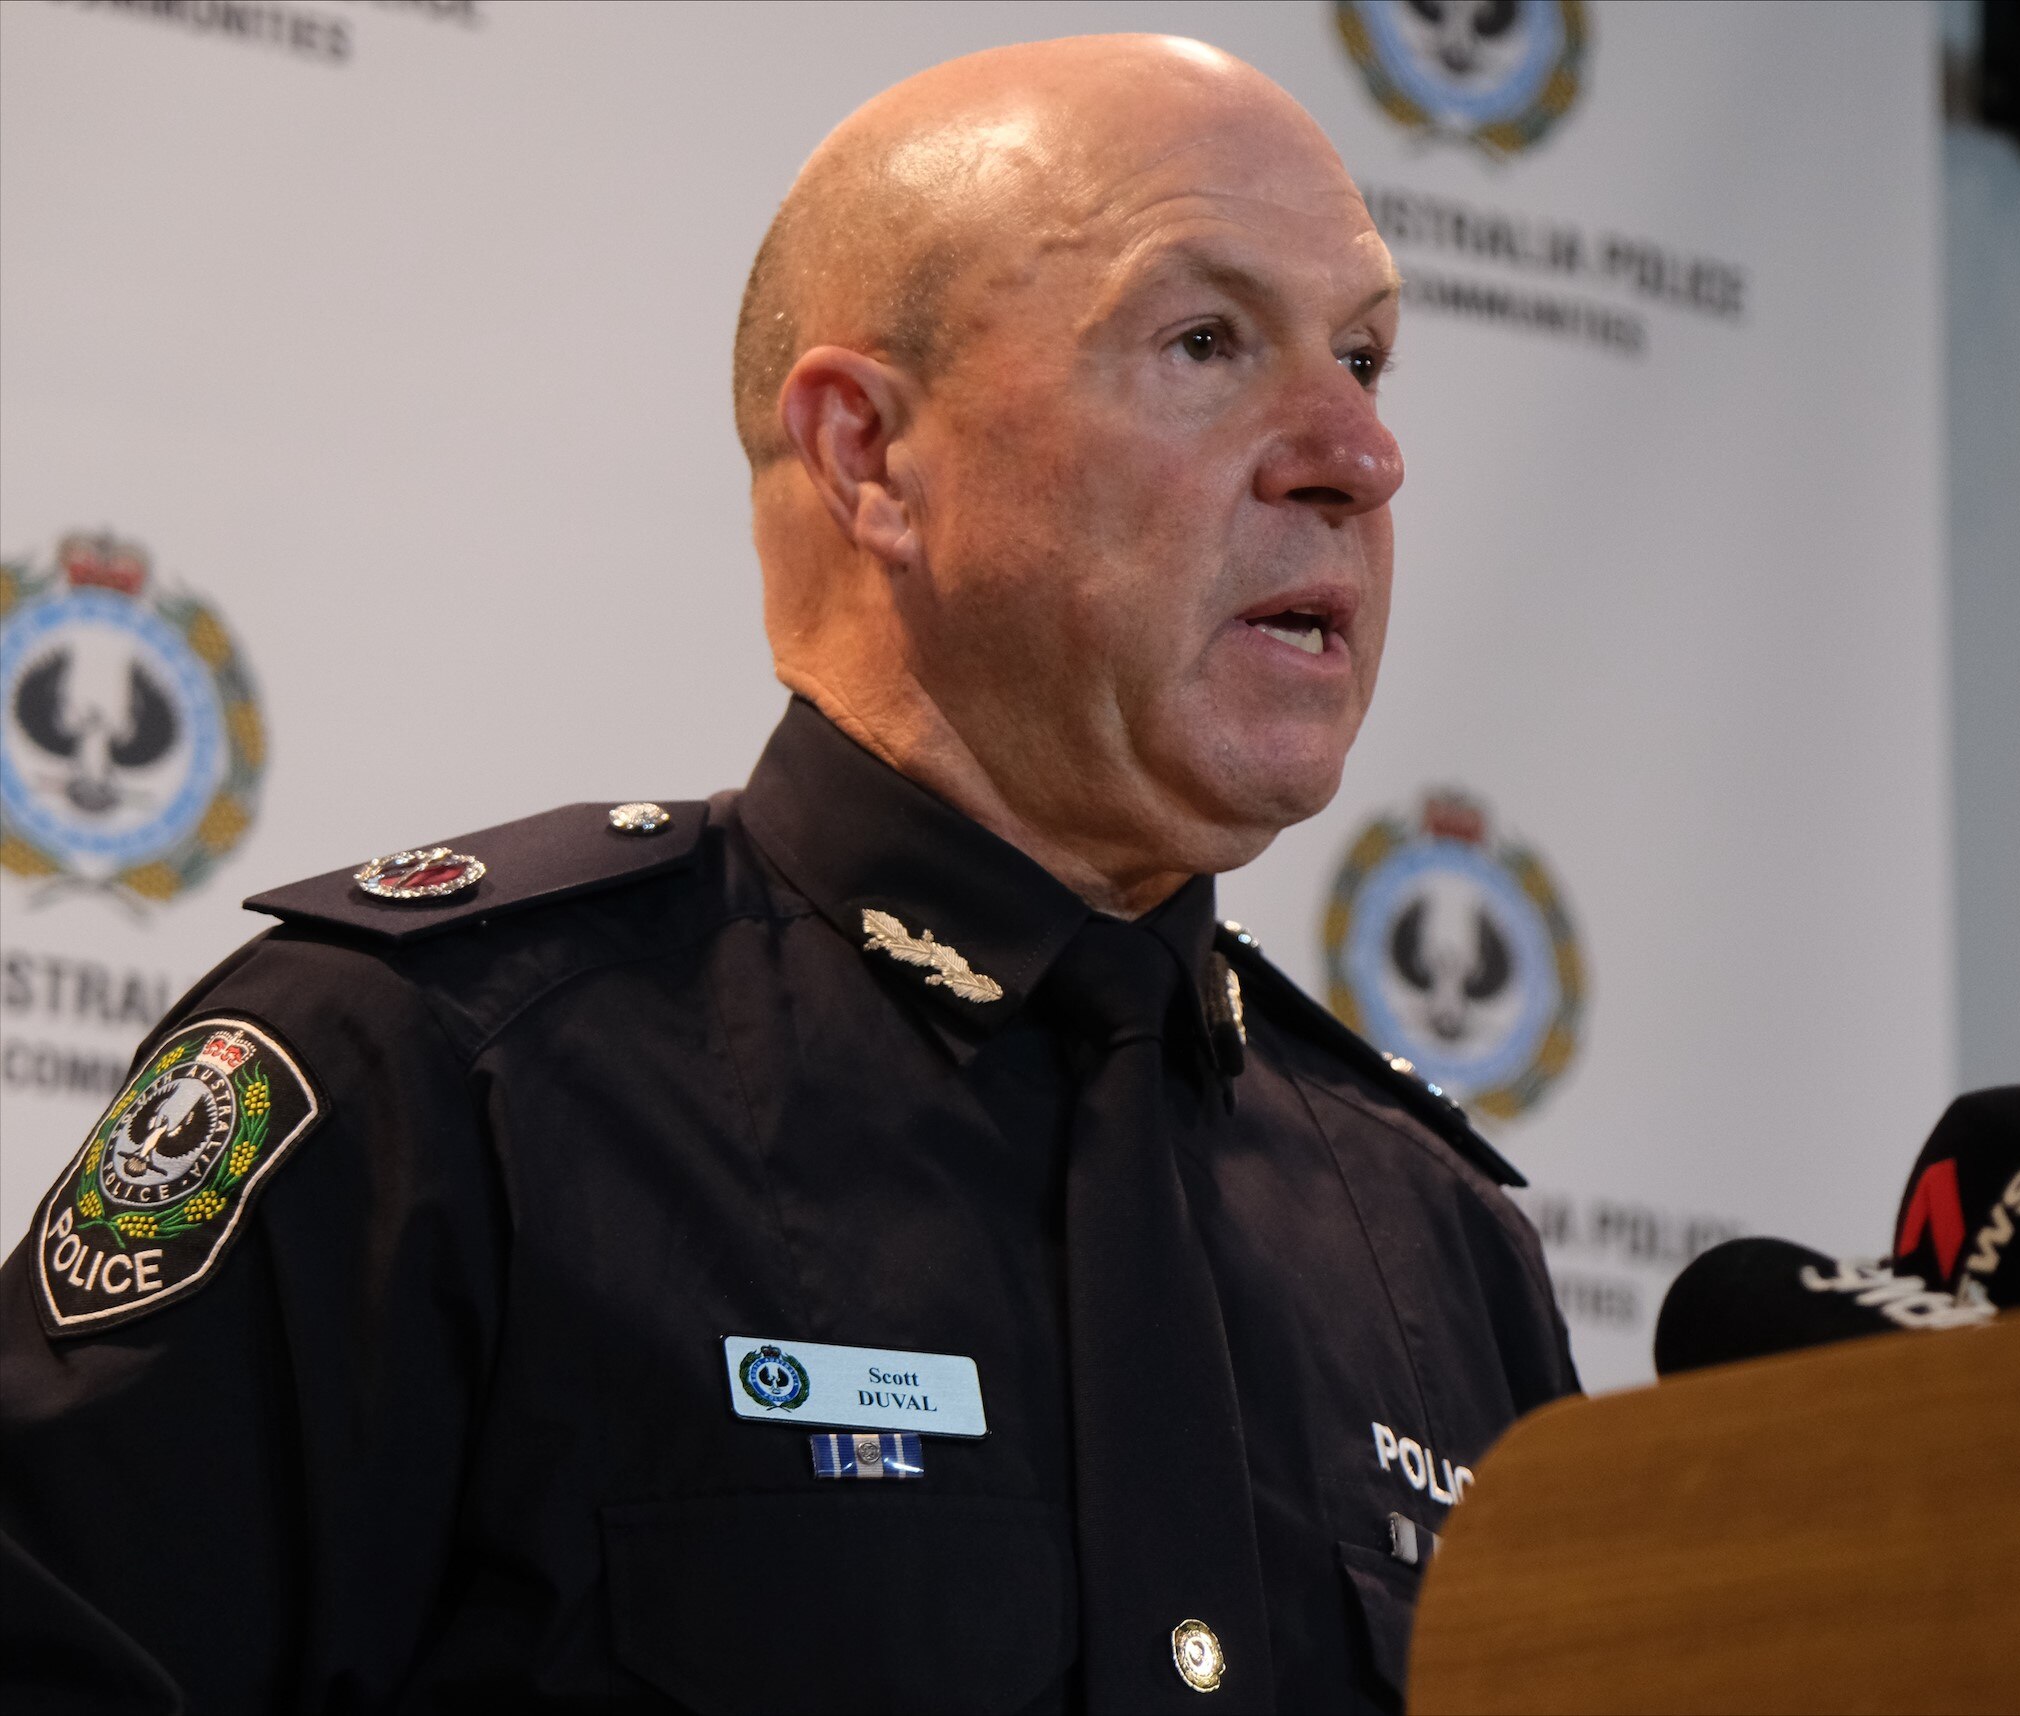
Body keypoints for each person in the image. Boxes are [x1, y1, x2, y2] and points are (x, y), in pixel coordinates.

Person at [0, 33, 1577, 1715]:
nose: (1358, 455)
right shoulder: (420, 1079)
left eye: (1363, 358)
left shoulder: (1437, 1242)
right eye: (1205, 341)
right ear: (868, 455)